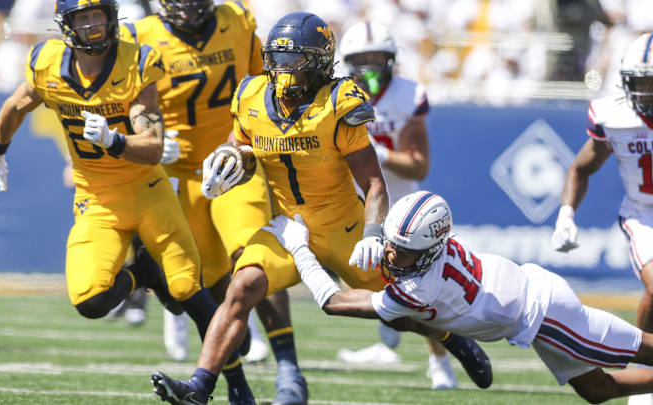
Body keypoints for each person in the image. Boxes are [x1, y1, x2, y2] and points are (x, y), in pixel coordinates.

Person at [150, 12, 492, 405]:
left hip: (341, 226)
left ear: (317, 63)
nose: (283, 71)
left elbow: (374, 183)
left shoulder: (338, 101)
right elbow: (242, 149)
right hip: (286, 226)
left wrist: (372, 233)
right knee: (241, 288)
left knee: (393, 306)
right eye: (277, 60)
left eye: (293, 61)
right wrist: (227, 162)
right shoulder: (250, 96)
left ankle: (452, 339)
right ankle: (200, 386)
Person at [0, 1, 254, 404]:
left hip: (146, 189)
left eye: (98, 15)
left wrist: (113, 140)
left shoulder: (136, 61)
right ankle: (145, 275)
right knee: (89, 301)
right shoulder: (48, 64)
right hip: (97, 198)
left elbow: (154, 147)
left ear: (111, 16)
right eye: (83, 18)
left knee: (192, 293)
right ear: (66, 26)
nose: (93, 25)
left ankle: (238, 387)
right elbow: (17, 105)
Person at [267, 190, 653, 404]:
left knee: (645, 350)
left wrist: (301, 248)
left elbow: (333, 303)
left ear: (429, 249)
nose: (391, 255)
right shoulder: (431, 247)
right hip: (534, 306)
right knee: (597, 392)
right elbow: (401, 253)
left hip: (547, 315)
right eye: (391, 244)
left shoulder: (419, 289)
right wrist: (373, 239)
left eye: (402, 250)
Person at [118, 0, 288, 383]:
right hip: (176, 172)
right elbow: (117, 105)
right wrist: (150, 136)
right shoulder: (140, 37)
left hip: (232, 163)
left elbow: (266, 88)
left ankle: (285, 363)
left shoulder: (238, 23)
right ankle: (229, 352)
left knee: (253, 251)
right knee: (200, 281)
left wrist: (249, 142)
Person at [336, 21, 456, 389]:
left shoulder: (407, 95)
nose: (370, 67)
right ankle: (388, 343)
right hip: (355, 200)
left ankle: (441, 364)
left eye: (377, 58)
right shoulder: (337, 95)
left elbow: (419, 164)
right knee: (369, 277)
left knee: (420, 286)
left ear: (391, 60)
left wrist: (380, 152)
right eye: (362, 59)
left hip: (402, 205)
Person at [551, 32, 653, 405]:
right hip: (645, 215)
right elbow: (582, 167)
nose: (648, 91)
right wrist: (566, 215)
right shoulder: (614, 114)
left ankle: (646, 378)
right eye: (643, 82)